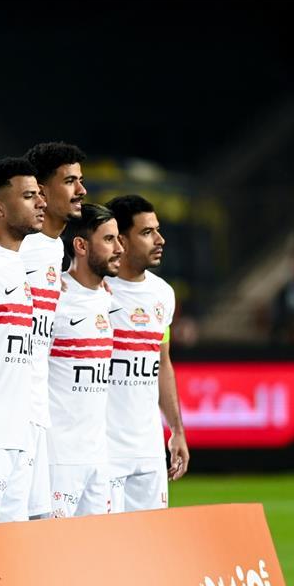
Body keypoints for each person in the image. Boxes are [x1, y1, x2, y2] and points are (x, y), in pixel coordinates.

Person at [0, 157, 46, 523]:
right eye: (29, 196)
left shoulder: (19, 264)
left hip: (20, 431)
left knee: (13, 545)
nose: (41, 202)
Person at [105, 195, 189, 512]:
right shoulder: (95, 293)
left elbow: (162, 363)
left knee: (150, 540)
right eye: (147, 232)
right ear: (121, 241)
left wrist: (176, 431)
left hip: (149, 449)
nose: (160, 239)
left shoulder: (162, 294)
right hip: (104, 450)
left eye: (158, 230)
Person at [20, 141, 87, 518]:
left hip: (37, 411)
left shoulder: (53, 248)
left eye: (81, 180)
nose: (81, 190)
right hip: (6, 417)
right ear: (42, 191)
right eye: (70, 181)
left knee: (38, 526)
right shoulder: (18, 247)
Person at [47, 203, 121, 517]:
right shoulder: (55, 298)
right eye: (109, 240)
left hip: (99, 458)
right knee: (55, 546)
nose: (119, 248)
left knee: (101, 547)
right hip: (58, 459)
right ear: (81, 245)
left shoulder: (108, 298)